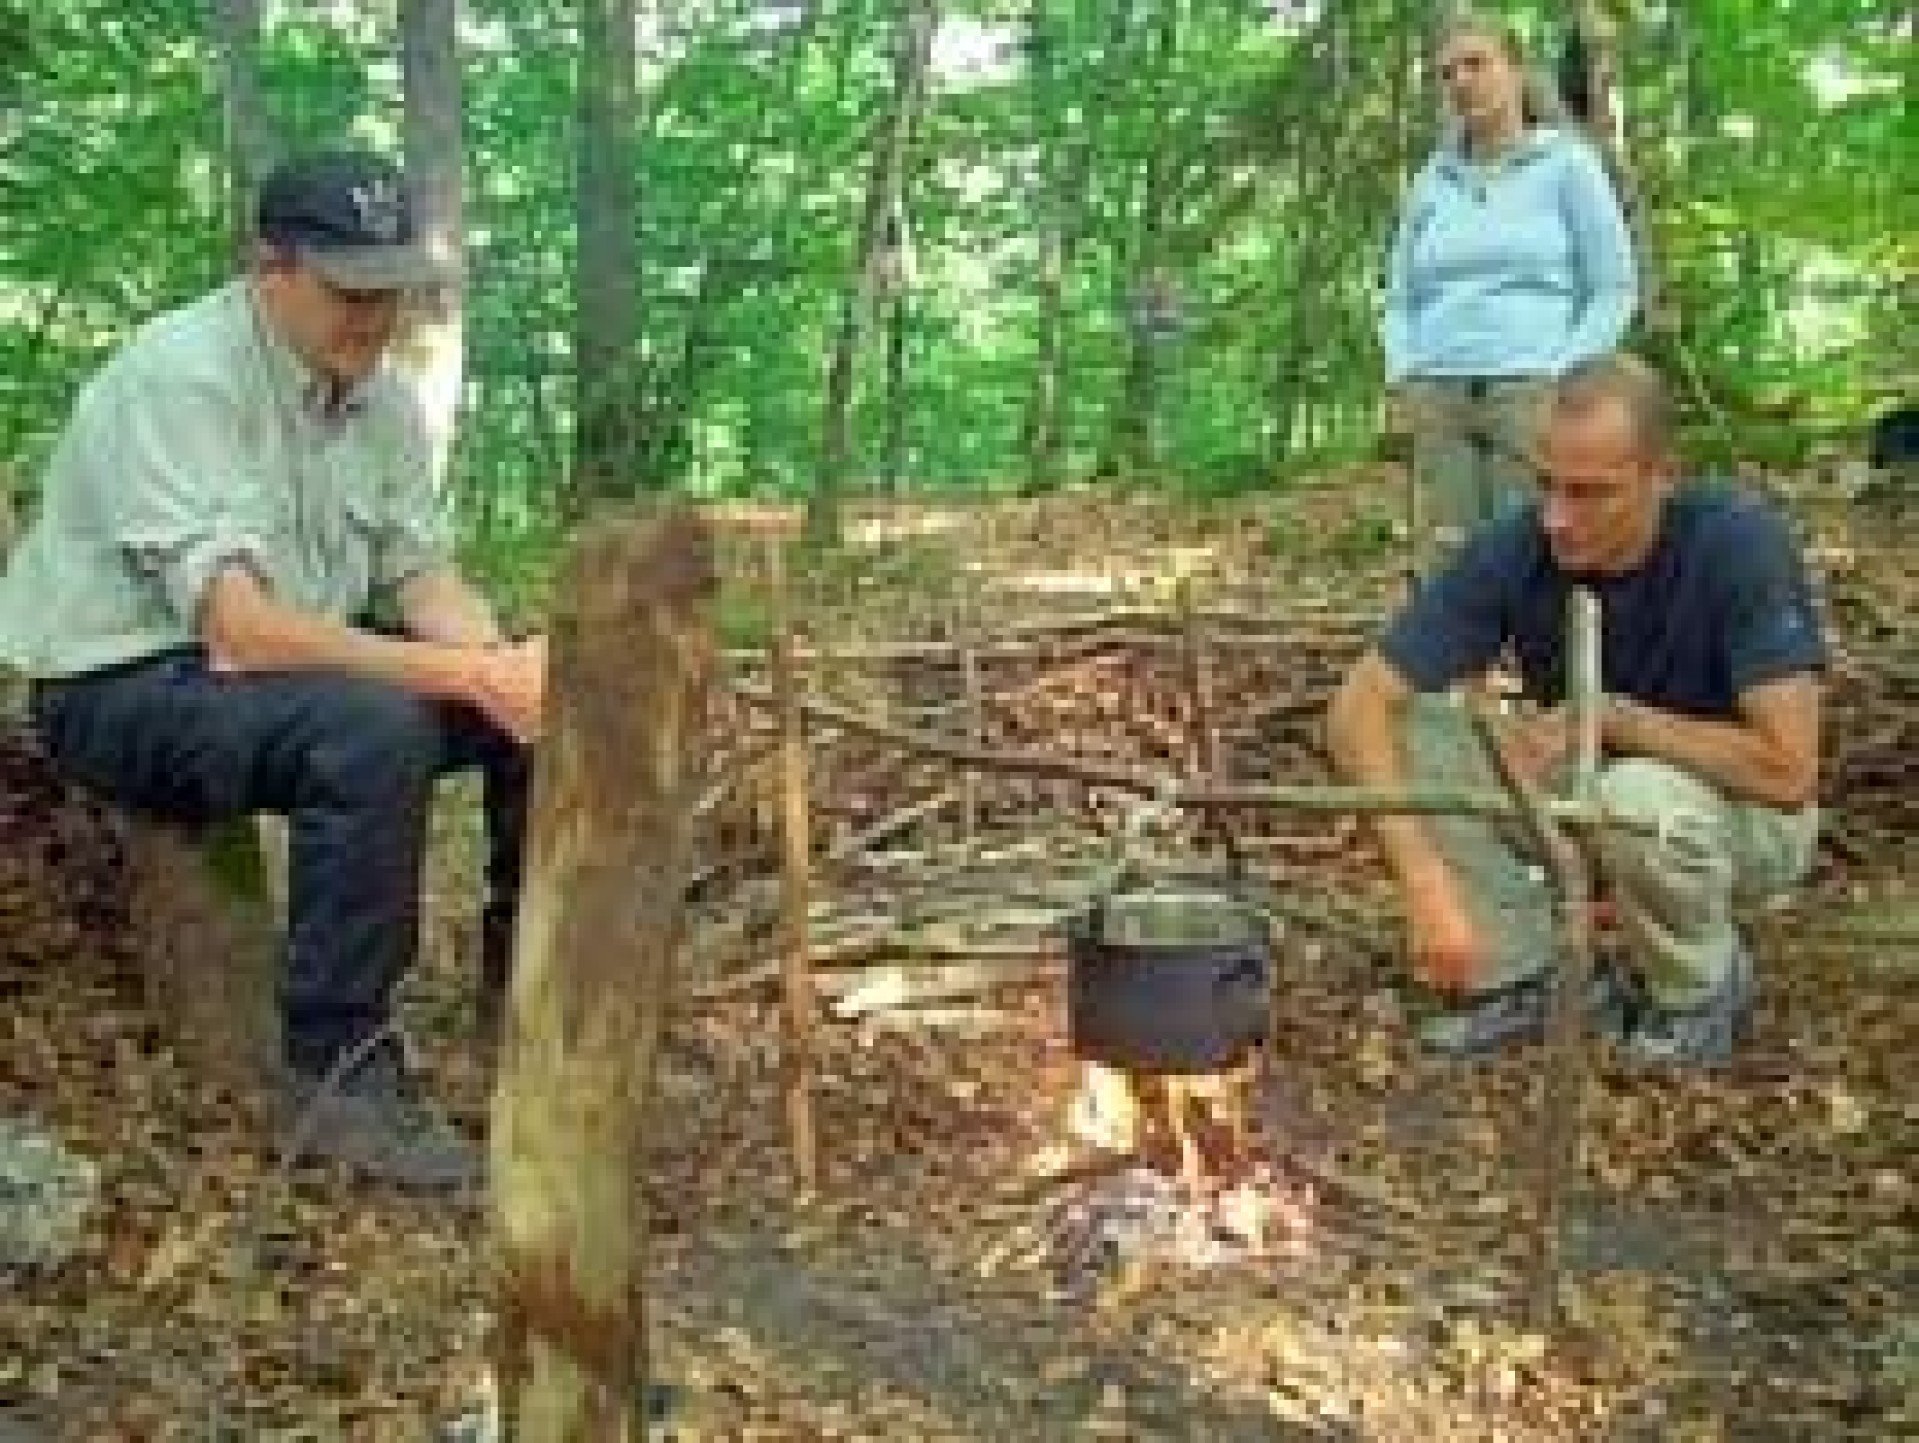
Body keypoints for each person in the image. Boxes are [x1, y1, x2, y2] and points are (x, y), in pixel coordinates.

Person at [0, 151, 545, 1189]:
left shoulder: (379, 402)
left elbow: (420, 573)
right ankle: (334, 1071)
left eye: (391, 293)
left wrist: (504, 667)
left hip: (274, 679)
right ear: (270, 266)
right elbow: (241, 630)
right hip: (123, 688)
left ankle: (529, 993)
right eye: (350, 293)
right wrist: (463, 677)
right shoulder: (180, 378)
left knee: (539, 709)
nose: (374, 321)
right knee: (372, 728)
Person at [1328, 354, 1825, 1065]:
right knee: (1416, 728)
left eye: (1591, 493)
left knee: (1633, 796)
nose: (1558, 517)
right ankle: (1526, 971)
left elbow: (1787, 772)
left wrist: (1615, 718)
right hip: (1578, 790)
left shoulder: (1735, 545)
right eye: (1545, 484)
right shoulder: (1517, 544)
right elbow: (1358, 706)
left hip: (1739, 817)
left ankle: (1698, 985)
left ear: (1661, 476)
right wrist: (1425, 881)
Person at [1382, 11, 1637, 570]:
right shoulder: (1432, 180)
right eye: (1447, 73)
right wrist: (1403, 373)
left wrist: (1563, 373)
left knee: (1534, 548)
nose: (1461, 82)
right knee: (1446, 560)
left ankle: (1541, 659)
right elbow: (1398, 294)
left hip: (1531, 390)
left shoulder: (1567, 164)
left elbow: (1614, 286)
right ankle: (1453, 660)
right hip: (1439, 392)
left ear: (1516, 71)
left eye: (1476, 64)